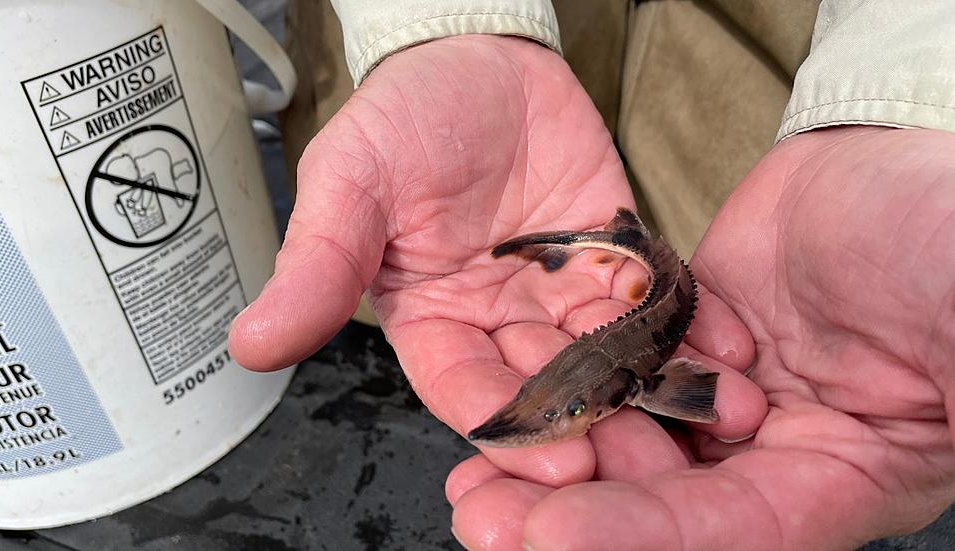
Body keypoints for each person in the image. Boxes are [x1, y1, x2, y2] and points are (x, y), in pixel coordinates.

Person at [230, 1, 955, 549]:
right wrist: (448, 23)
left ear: (626, 392)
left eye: (572, 411)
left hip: (780, 131)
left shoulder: (644, 375)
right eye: (564, 410)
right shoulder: (597, 367)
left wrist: (907, 108)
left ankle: (626, 235)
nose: (563, 417)